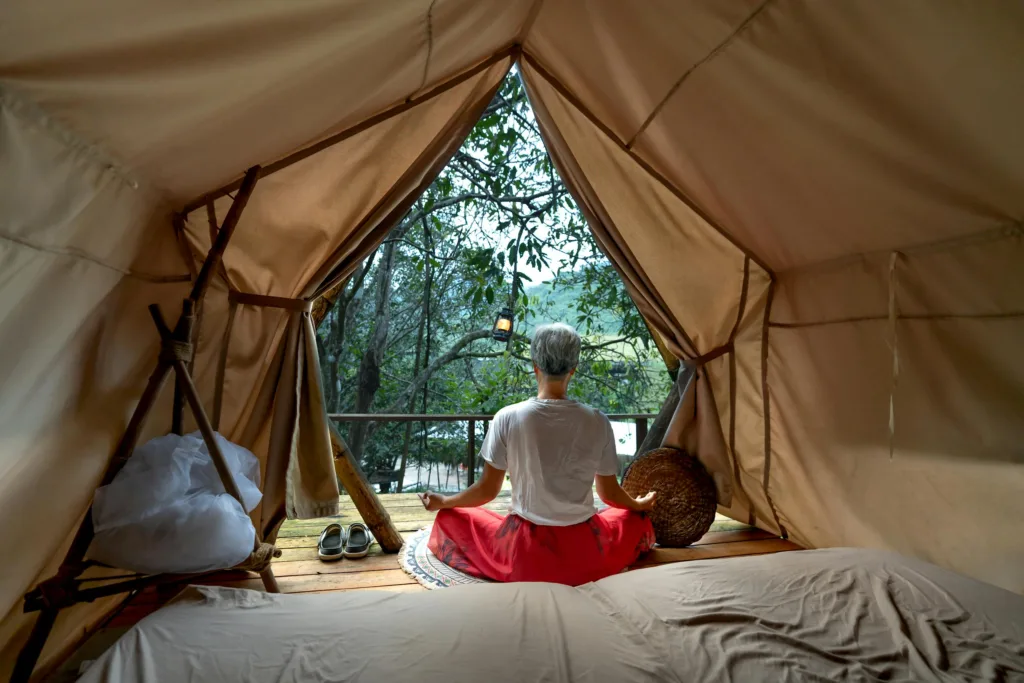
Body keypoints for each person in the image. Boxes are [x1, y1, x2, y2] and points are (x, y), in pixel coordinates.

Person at [418, 323, 656, 586]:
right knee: (634, 520)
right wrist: (638, 505)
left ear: (535, 366)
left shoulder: (508, 417)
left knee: (450, 517)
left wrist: (445, 501)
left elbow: (487, 490)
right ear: (573, 369)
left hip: (524, 558)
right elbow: (609, 495)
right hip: (586, 557)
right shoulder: (597, 421)